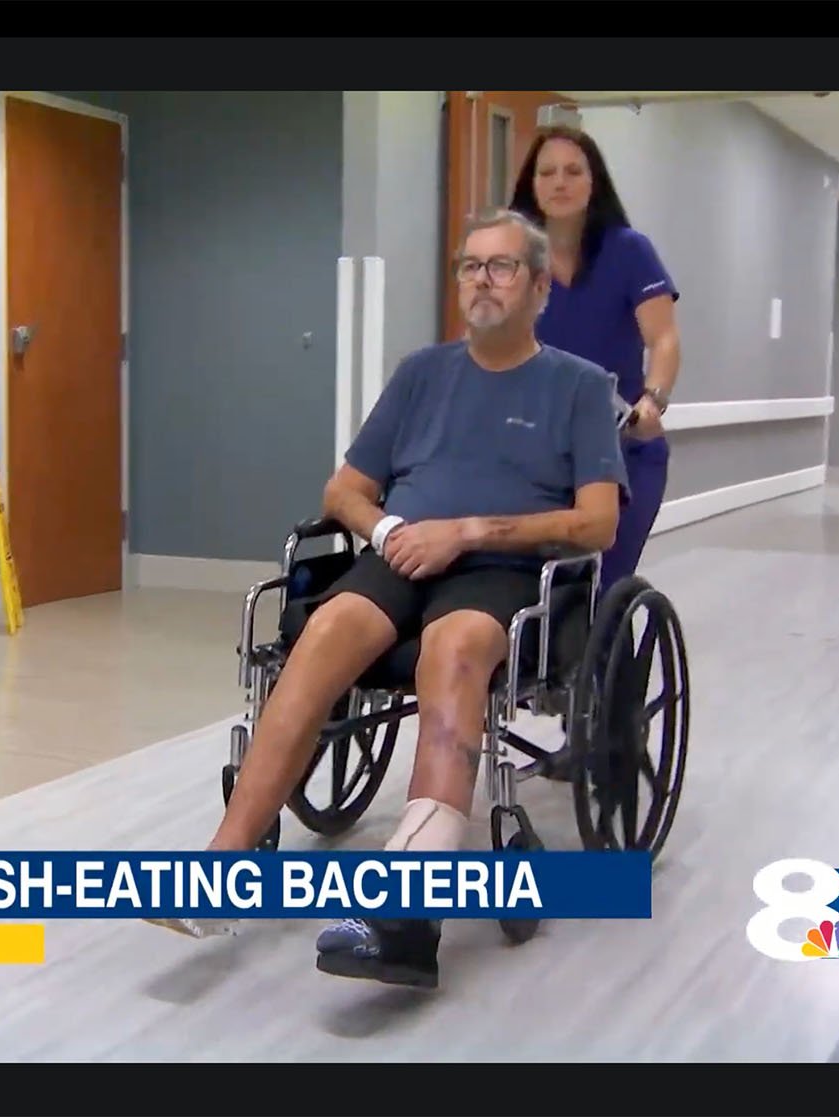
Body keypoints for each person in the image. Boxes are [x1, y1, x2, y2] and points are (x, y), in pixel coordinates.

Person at [149, 209, 629, 989]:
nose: (481, 279)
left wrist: (464, 529)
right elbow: (344, 488)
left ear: (540, 286)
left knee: (455, 647)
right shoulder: (421, 374)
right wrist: (389, 529)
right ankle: (222, 869)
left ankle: (410, 908)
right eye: (470, 265)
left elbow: (598, 519)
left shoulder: (577, 386)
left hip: (500, 567)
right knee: (327, 627)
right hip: (400, 554)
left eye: (502, 266)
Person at [509, 126, 682, 592]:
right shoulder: (513, 259)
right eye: (547, 172)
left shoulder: (629, 251)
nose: (559, 182)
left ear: (594, 182)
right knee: (530, 588)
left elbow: (663, 338)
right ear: (532, 184)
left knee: (600, 588)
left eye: (572, 171)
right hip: (536, 451)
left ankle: (602, 660)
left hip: (620, 447)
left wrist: (654, 399)